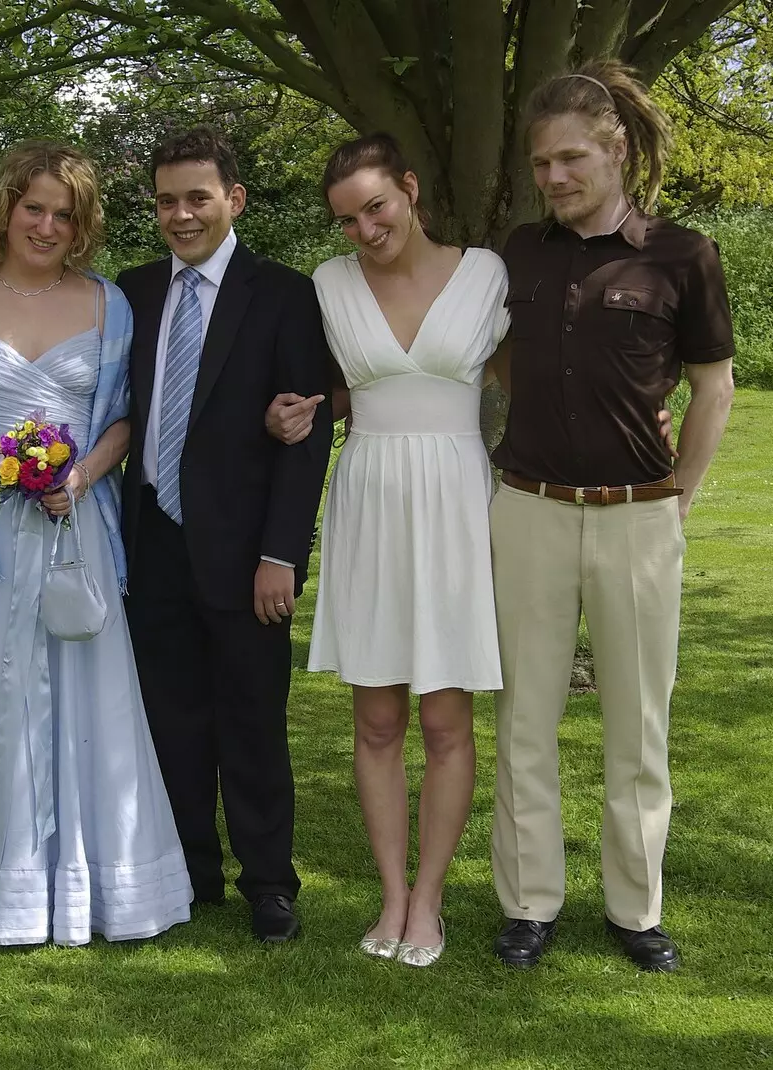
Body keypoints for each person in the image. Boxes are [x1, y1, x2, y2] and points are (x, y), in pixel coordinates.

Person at [488, 60, 736, 973]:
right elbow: (497, 361)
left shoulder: (682, 255)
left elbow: (714, 386)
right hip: (528, 512)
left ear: (616, 149)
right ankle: (528, 905)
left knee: (639, 726)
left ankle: (636, 911)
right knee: (525, 719)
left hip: (639, 519)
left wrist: (680, 496)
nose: (554, 178)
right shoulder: (516, 254)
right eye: (541, 164)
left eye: (570, 159)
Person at [0, 142, 192, 947]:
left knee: (92, 697)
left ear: (82, 226)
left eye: (64, 214)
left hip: (77, 528)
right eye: (33, 207)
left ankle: (97, 888)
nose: (46, 225)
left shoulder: (110, 304)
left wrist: (76, 480)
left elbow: (123, 417)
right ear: (4, 207)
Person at [266, 134, 512, 966]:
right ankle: (392, 895)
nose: (366, 229)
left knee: (445, 718)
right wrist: (299, 413)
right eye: (347, 219)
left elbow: (534, 375)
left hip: (453, 502)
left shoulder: (487, 273)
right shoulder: (329, 287)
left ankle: (431, 902)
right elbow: (334, 390)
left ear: (409, 188)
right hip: (368, 498)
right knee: (376, 719)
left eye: (377, 206)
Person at [116, 126, 335, 943]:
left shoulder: (283, 294)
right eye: (168, 199)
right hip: (152, 546)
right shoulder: (133, 293)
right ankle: (188, 873)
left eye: (197, 197)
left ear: (233, 200)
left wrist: (281, 552)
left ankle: (269, 884)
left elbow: (306, 432)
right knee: (169, 719)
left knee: (251, 721)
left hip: (249, 556)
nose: (182, 214)